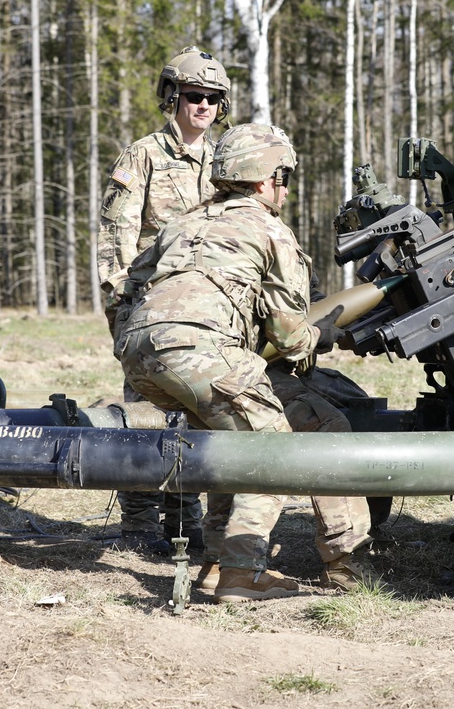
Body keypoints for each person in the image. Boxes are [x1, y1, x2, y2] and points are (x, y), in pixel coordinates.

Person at [116, 123, 376, 602]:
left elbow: (129, 285)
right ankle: (248, 573)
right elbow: (290, 335)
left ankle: (217, 564)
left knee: (233, 446)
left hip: (141, 350)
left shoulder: (185, 222)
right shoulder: (269, 228)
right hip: (202, 351)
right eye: (285, 178)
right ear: (266, 179)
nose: (286, 189)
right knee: (272, 454)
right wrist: (325, 333)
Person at [97, 46, 231, 557]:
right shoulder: (143, 156)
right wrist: (121, 312)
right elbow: (115, 243)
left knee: (200, 416)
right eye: (194, 96)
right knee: (145, 416)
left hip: (210, 312)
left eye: (213, 99)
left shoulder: (226, 159)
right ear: (172, 97)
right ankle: (136, 524)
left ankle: (185, 521)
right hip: (150, 308)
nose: (203, 107)